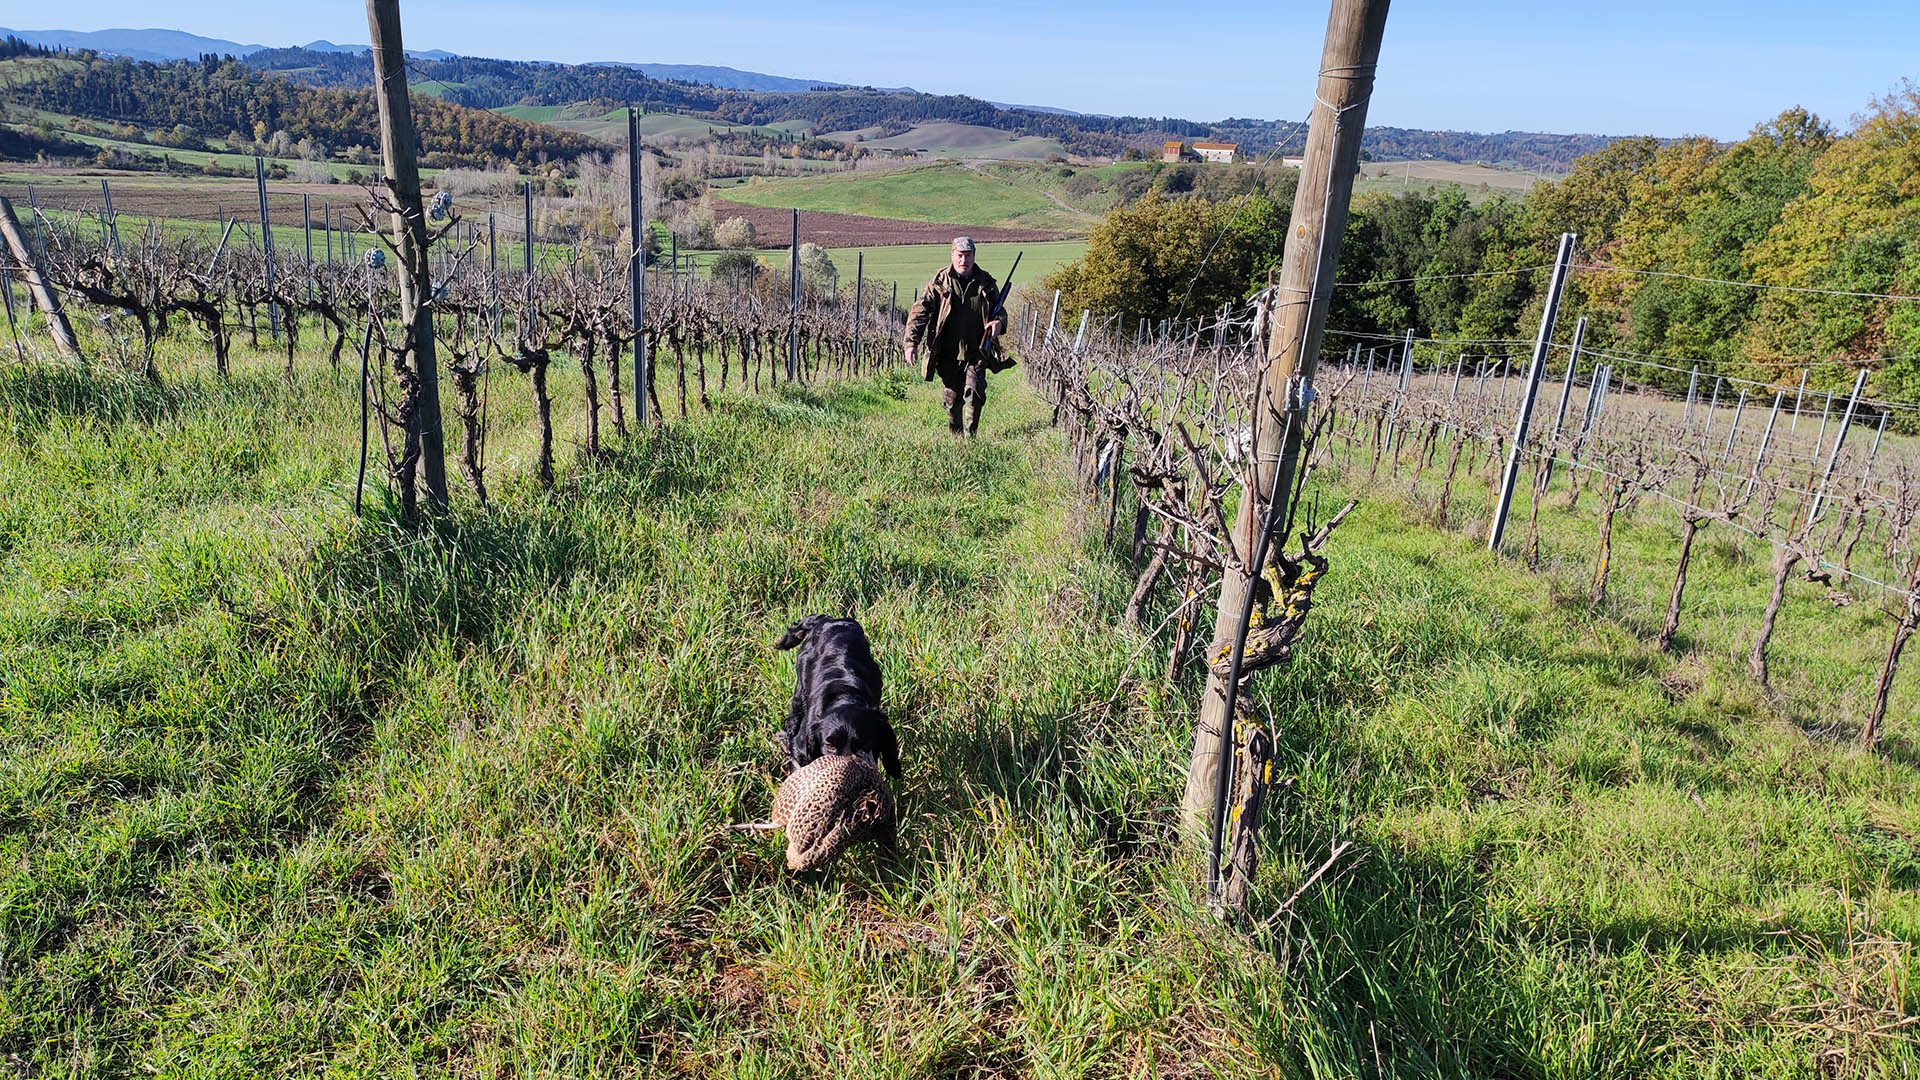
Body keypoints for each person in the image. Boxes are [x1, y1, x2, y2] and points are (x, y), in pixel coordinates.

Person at [904, 237, 1008, 436]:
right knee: (952, 400)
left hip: (977, 350)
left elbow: (1000, 310)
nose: (963, 260)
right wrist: (911, 343)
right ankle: (956, 434)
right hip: (947, 352)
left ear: (974, 257)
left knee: (975, 394)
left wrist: (998, 323)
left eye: (968, 256)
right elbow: (919, 312)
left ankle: (971, 438)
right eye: (959, 255)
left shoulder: (985, 282)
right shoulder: (939, 282)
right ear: (952, 256)